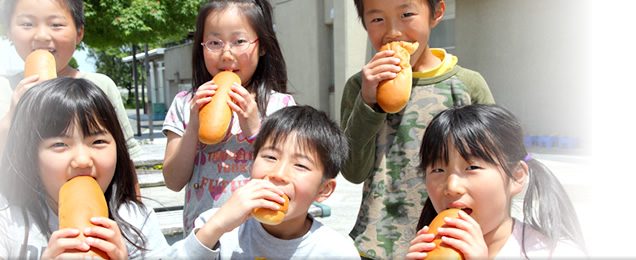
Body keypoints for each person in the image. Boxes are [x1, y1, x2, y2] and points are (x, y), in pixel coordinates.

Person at [340, 0, 496, 257]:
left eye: (406, 14)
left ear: (437, 13)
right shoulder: (360, 87)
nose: (393, 31)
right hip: (376, 245)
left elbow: (492, 175)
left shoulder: (467, 85)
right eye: (377, 19)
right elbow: (353, 172)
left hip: (447, 245)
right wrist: (368, 102)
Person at [0, 78, 171, 259]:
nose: (82, 160)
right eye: (60, 144)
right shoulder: (1, 217)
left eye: (98, 141)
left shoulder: (136, 220)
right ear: (30, 155)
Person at [162, 0, 295, 236]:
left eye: (239, 41)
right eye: (214, 43)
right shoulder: (185, 103)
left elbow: (288, 176)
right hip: (202, 237)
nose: (226, 54)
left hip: (259, 237)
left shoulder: (280, 106)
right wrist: (194, 125)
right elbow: (173, 181)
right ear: (201, 46)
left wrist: (256, 130)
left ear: (262, 46)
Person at [171, 105, 360, 259]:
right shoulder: (216, 227)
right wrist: (217, 226)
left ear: (324, 189)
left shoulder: (337, 252)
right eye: (270, 157)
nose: (278, 174)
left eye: (301, 165)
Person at [0, 0, 141, 173]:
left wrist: (132, 200)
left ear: (79, 33)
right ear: (10, 31)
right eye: (27, 24)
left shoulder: (101, 86)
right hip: (18, 200)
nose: (42, 35)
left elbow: (125, 162)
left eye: (56, 24)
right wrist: (12, 117)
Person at [406, 104, 586, 259]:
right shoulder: (426, 251)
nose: (452, 187)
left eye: (472, 167)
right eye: (438, 170)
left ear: (516, 176)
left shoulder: (555, 252)